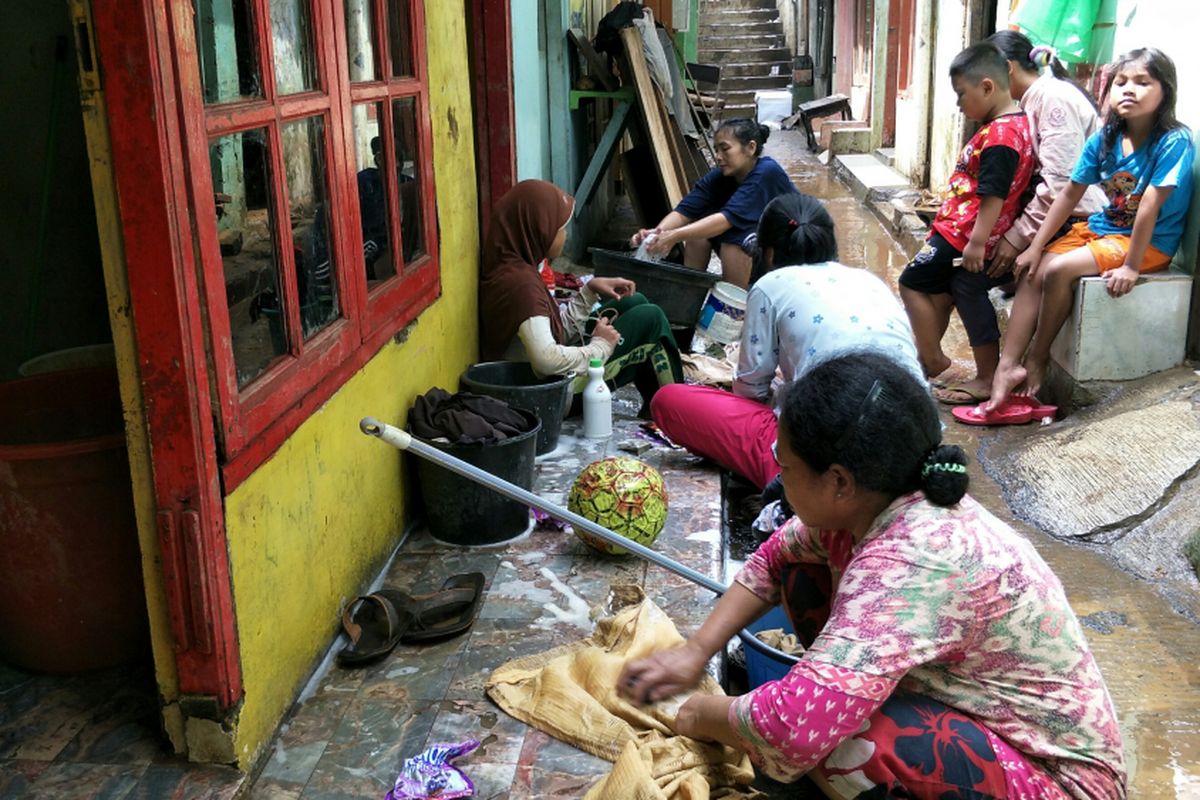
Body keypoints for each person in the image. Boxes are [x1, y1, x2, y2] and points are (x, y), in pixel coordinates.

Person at [619, 352, 1126, 799]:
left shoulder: (913, 557)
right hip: (978, 719)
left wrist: (700, 713)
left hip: (1055, 781)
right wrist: (694, 652)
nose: (779, 472)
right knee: (802, 575)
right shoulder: (876, 503)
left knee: (839, 743)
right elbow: (776, 557)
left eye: (786, 464)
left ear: (838, 481)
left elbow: (790, 731)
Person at [650, 194, 923, 491]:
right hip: (911, 441)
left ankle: (792, 484)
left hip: (829, 456)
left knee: (668, 401)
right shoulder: (869, 281)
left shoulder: (771, 285)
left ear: (768, 254)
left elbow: (750, 390)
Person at [987, 47, 1195, 412]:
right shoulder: (1105, 138)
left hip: (1148, 244)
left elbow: (1148, 205)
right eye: (1121, 82)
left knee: (1059, 269)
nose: (1129, 90)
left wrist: (1131, 266)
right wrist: (1035, 245)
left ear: (1166, 91)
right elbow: (1069, 192)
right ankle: (1007, 366)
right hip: (1102, 229)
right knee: (1034, 269)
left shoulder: (1174, 141)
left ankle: (1037, 358)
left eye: (1143, 82)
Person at [937, 31, 1108, 404]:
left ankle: (993, 373)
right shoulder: (1029, 103)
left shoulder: (1053, 99)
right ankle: (988, 368)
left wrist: (1017, 238)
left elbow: (1059, 186)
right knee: (954, 264)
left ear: (1005, 71)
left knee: (968, 279)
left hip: (1075, 219)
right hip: (1047, 219)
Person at [898, 43, 1035, 400]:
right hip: (959, 229)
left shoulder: (1002, 135)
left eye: (962, 95)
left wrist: (977, 242)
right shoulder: (1009, 126)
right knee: (941, 294)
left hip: (961, 233)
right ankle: (926, 361)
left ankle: (935, 361)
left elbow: (995, 194)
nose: (959, 105)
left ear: (987, 86)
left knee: (911, 283)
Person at [479, 180, 683, 406]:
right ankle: (678, 413)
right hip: (548, 395)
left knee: (634, 301)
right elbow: (546, 360)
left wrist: (589, 291)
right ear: (539, 228)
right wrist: (600, 347)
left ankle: (656, 410)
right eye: (560, 228)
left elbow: (553, 332)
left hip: (540, 378)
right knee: (651, 320)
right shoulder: (521, 285)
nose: (564, 235)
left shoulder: (515, 265)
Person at [632, 118, 798, 289]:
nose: (718, 157)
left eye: (725, 149)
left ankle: (733, 307)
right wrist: (657, 234)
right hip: (764, 240)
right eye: (716, 150)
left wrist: (674, 236)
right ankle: (690, 294)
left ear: (751, 147)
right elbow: (684, 211)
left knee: (734, 243)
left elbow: (725, 220)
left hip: (792, 249)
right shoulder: (721, 176)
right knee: (698, 234)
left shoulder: (767, 172)